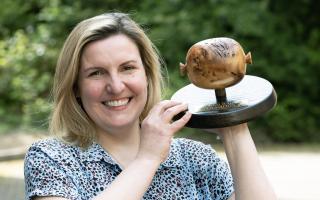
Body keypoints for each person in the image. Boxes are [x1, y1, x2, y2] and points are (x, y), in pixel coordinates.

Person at [24, 12, 277, 200]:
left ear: (146, 74)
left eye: (127, 68)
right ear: (76, 86)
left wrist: (234, 127)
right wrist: (148, 157)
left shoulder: (195, 159)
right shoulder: (51, 159)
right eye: (96, 73)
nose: (115, 85)